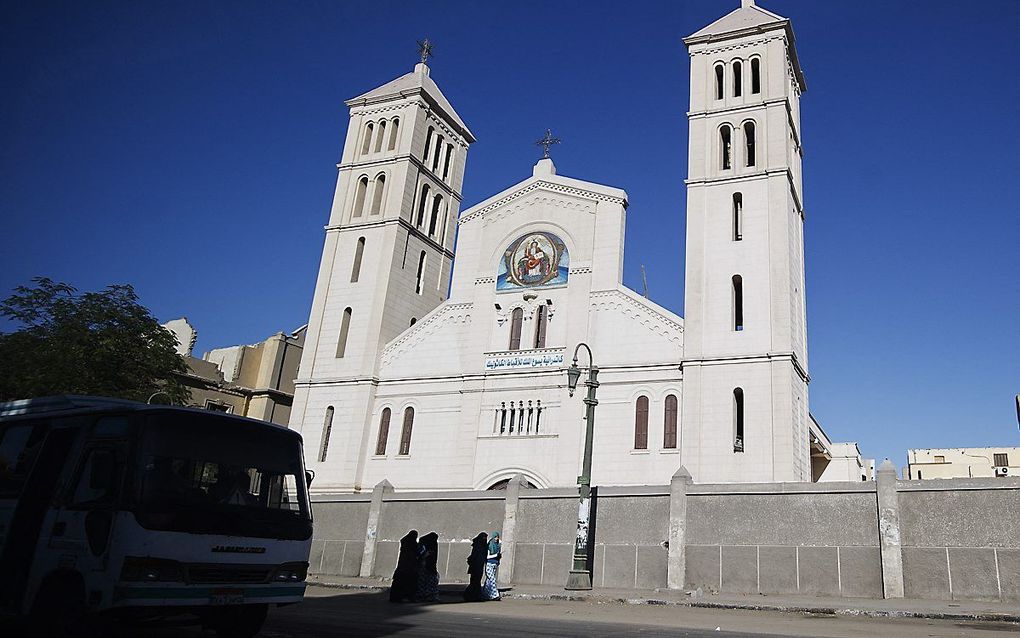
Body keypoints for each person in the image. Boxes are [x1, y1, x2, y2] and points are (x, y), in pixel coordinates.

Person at [390, 530, 419, 602]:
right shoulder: (411, 545)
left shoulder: (405, 544)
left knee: (400, 583)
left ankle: (397, 597)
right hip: (409, 568)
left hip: (402, 567)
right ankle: (406, 597)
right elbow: (413, 556)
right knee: (408, 582)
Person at [463, 532, 488, 602]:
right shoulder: (477, 545)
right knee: (474, 581)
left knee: (476, 581)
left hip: (480, 566)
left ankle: (473, 596)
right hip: (475, 566)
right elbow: (474, 555)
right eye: (484, 537)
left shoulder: (483, 545)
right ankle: (471, 596)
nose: (485, 539)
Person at [416, 532, 440, 602]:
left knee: (427, 581)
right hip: (426, 567)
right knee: (427, 581)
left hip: (427, 567)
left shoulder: (425, 544)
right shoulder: (424, 546)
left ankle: (426, 595)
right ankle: (427, 595)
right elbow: (420, 555)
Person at [482, 531, 502, 600]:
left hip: (495, 564)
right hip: (489, 564)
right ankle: (495, 595)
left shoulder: (498, 545)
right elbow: (487, 557)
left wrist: (498, 558)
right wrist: (496, 555)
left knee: (489, 581)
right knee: (493, 579)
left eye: (497, 537)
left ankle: (484, 593)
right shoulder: (490, 545)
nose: (496, 538)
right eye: (495, 537)